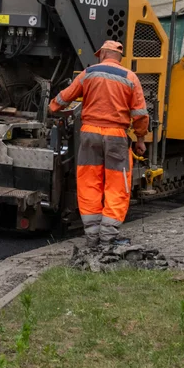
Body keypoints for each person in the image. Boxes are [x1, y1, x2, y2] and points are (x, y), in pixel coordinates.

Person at [49, 40, 149, 248]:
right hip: (116, 136)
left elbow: (64, 97)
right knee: (116, 184)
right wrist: (140, 139)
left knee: (89, 182)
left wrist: (53, 106)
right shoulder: (130, 78)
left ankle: (93, 237)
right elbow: (140, 115)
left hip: (89, 134)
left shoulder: (88, 73)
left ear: (102, 54)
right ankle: (109, 237)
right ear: (118, 57)